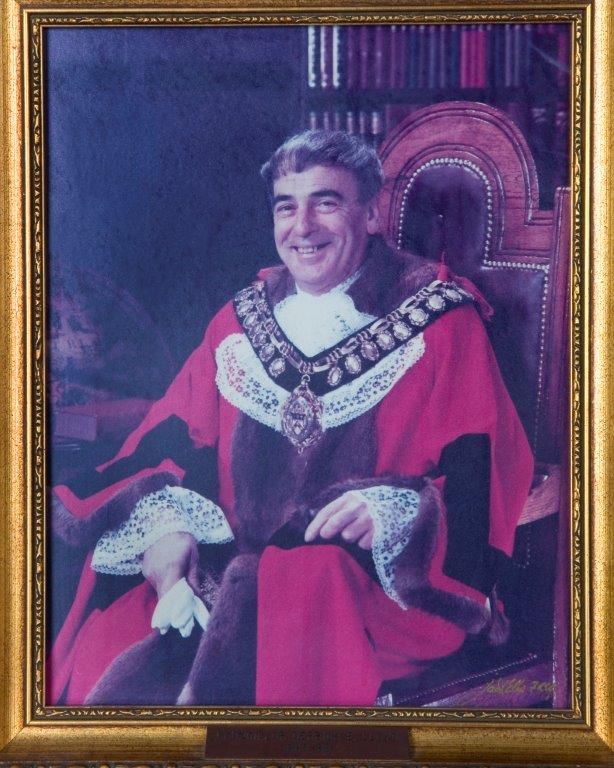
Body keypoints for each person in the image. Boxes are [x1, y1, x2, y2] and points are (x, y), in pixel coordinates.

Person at [48, 129, 534, 707]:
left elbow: (485, 472)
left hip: (365, 590)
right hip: (228, 567)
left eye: (325, 203)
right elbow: (168, 446)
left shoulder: (442, 324)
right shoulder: (239, 322)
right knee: (116, 636)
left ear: (371, 214)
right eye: (286, 207)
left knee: (302, 591)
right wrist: (168, 553)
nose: (301, 228)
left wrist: (396, 512)